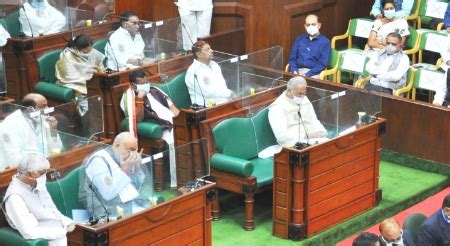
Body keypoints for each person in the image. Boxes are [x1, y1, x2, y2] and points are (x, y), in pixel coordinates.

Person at [120, 70, 179, 187]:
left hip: (174, 122)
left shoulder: (155, 90)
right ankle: (177, 181)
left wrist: (180, 122)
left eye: (146, 82)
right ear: (133, 85)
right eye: (142, 83)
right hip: (162, 127)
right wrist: (140, 99)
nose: (146, 85)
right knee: (176, 141)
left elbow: (174, 109)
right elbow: (138, 119)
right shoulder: (127, 98)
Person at [2, 153, 76, 245]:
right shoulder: (14, 197)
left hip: (60, 231)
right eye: (42, 173)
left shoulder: (36, 183)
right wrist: (62, 231)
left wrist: (67, 222)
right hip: (49, 238)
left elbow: (52, 210)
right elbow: (29, 232)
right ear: (29, 173)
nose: (44, 176)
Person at [78, 132, 145, 218]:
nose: (131, 155)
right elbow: (108, 194)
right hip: (107, 212)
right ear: (117, 145)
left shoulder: (124, 158)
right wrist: (124, 170)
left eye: (134, 151)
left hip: (128, 204)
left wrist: (137, 168)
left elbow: (136, 188)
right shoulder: (98, 161)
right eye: (129, 151)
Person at [0, 93, 62, 170]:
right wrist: (39, 168)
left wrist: (53, 130)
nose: (47, 108)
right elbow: (14, 160)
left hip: (46, 165)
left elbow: (57, 149)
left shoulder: (42, 118)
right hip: (26, 172)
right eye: (43, 106)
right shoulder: (10, 124)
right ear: (30, 110)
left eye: (47, 105)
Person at [268, 76, 327, 149]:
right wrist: (306, 136)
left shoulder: (304, 99)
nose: (302, 97)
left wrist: (322, 131)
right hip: (293, 144)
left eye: (304, 93)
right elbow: (281, 136)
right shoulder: (277, 107)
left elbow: (313, 120)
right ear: (290, 90)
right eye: (299, 94)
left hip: (313, 139)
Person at [185, 40, 233, 107]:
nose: (211, 51)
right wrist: (229, 93)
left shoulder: (214, 64)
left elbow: (222, 84)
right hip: (206, 108)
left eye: (210, 48)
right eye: (207, 49)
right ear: (198, 54)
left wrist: (229, 97)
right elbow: (207, 92)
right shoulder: (194, 71)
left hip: (224, 102)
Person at [288, 14, 331, 79]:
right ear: (305, 26)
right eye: (308, 25)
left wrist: (307, 75)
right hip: (297, 71)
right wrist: (294, 71)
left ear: (319, 25)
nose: (310, 27)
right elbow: (292, 59)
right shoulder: (299, 39)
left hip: (313, 73)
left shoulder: (325, 42)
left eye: (313, 24)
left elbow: (322, 64)